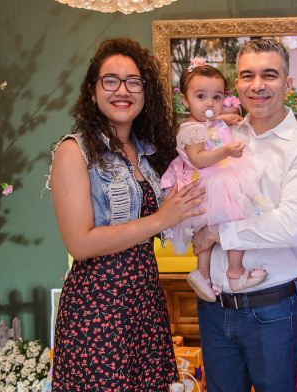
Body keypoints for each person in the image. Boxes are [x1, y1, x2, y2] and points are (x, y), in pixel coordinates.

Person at [48, 38, 205, 391]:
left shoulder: (150, 152)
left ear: (145, 92)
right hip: (97, 309)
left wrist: (223, 124)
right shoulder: (74, 151)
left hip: (145, 302)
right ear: (92, 92)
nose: (123, 90)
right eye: (110, 81)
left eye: (133, 82)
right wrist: (160, 220)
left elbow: (199, 154)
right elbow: (79, 243)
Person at [191, 39, 297, 392]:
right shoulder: (221, 136)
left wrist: (216, 234)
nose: (257, 85)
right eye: (247, 75)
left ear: (288, 83)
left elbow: (291, 227)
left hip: (271, 311)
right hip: (214, 308)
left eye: (269, 75)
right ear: (237, 85)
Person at [160, 57, 269, 302]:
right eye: (201, 96)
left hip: (212, 182)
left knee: (208, 229)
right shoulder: (191, 130)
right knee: (237, 219)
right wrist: (226, 151)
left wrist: (225, 120)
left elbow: (214, 125)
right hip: (212, 182)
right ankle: (236, 271)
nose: (209, 103)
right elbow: (198, 158)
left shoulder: (207, 123)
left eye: (216, 97)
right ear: (185, 100)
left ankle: (202, 273)